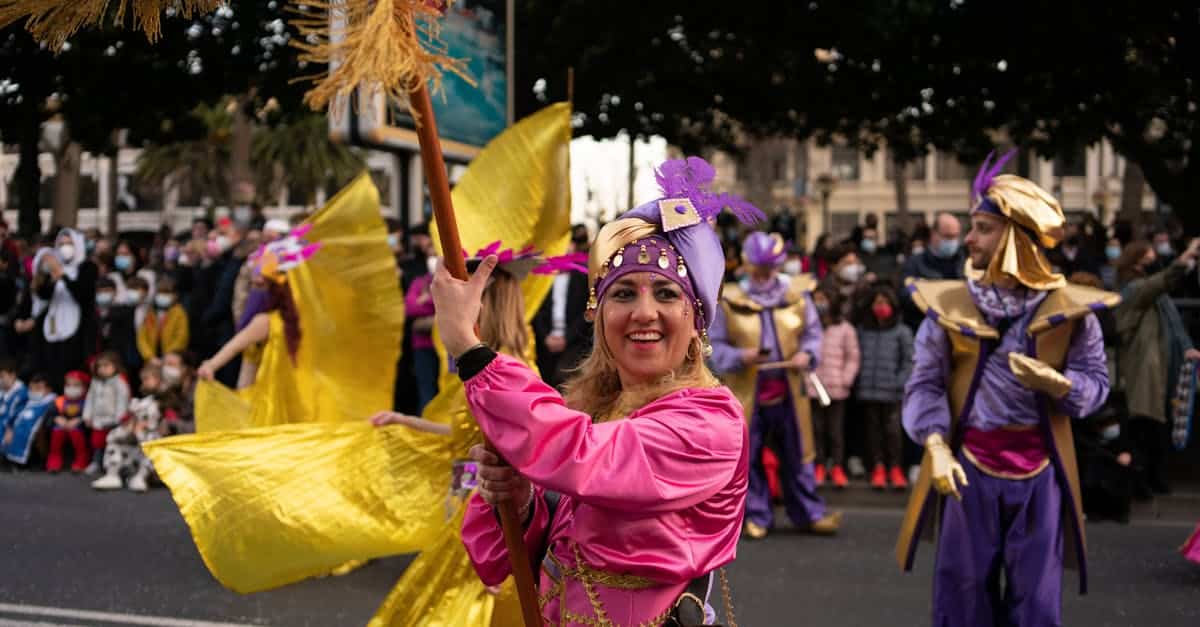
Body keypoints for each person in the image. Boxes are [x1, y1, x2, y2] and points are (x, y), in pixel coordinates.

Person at [455, 156, 752, 624]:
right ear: (599, 315)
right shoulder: (597, 409)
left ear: (697, 321)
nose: (644, 313)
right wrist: (521, 500)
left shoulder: (710, 424)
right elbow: (509, 561)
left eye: (666, 293)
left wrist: (472, 354)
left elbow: (585, 456)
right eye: (623, 293)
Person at [897, 152, 1114, 626]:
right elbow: (924, 385)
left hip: (1041, 471)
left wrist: (1059, 384)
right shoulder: (951, 305)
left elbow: (1097, 385)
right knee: (962, 596)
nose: (970, 239)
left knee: (1035, 600)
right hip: (966, 467)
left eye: (983, 228)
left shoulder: (1071, 313)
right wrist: (934, 443)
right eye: (972, 227)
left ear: (1015, 238)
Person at [710, 231, 841, 538]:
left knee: (799, 453)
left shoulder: (797, 296)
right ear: (747, 265)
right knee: (748, 457)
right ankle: (756, 515)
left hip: (789, 390)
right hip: (746, 392)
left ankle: (809, 513)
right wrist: (743, 356)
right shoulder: (729, 299)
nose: (765, 274)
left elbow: (813, 335)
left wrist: (807, 355)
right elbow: (714, 346)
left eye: (769, 268)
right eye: (759, 268)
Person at [1113, 238, 1200, 495]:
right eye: (1149, 256)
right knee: (1145, 426)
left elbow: (1173, 323)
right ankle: (1144, 481)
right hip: (1146, 368)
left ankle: (1151, 479)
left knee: (1154, 425)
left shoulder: (1154, 295)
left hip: (1160, 366)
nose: (1154, 260)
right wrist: (1184, 258)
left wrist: (1187, 349)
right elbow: (1159, 282)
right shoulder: (1134, 289)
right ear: (1137, 261)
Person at [855, 283, 913, 490]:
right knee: (873, 432)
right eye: (877, 302)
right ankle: (878, 467)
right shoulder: (863, 331)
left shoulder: (902, 332)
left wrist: (899, 382)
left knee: (893, 431)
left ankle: (896, 468)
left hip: (893, 391)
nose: (881, 306)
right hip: (869, 390)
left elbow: (909, 361)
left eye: (884, 302)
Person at [29, 229, 98, 389]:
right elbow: (44, 295)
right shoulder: (56, 268)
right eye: (61, 244)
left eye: (69, 244)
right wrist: (49, 278)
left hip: (77, 330)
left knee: (71, 369)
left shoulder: (87, 267)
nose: (65, 247)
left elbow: (82, 293)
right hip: (54, 324)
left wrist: (63, 276)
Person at [808, 287, 859, 488]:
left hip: (836, 387)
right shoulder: (808, 326)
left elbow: (852, 357)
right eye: (817, 299)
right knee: (816, 429)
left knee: (835, 431)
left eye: (824, 299)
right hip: (813, 387)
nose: (820, 303)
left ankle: (837, 466)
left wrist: (845, 379)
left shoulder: (845, 328)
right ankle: (819, 465)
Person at [532, 225, 593, 390]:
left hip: (573, 343)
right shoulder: (542, 279)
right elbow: (536, 310)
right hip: (545, 343)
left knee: (564, 377)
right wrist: (546, 337)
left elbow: (585, 313)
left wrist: (566, 338)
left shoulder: (582, 279)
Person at [900, 212, 965, 329]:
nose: (952, 241)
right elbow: (905, 295)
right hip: (925, 329)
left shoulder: (965, 263)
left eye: (955, 236)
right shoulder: (915, 263)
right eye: (947, 236)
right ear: (933, 234)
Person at [81, 351, 131, 475]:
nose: (103, 369)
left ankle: (114, 465)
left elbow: (122, 400)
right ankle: (96, 462)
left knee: (114, 443)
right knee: (97, 442)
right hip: (98, 420)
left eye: (106, 366)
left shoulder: (120, 382)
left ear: (115, 366)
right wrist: (87, 416)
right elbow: (90, 399)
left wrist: (119, 418)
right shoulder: (95, 382)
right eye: (100, 366)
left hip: (114, 420)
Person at [2, 373, 55, 467]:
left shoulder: (52, 403)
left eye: (38, 388)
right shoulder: (27, 402)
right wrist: (9, 428)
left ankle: (39, 460)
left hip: (42, 432)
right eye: (31, 388)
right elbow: (15, 415)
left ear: (49, 389)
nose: (34, 391)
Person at [46, 369, 90, 472]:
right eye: (68, 385)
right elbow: (49, 416)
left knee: (75, 432)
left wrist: (80, 420)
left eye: (76, 385)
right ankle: (54, 459)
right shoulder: (59, 401)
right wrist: (56, 418)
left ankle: (81, 460)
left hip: (79, 428)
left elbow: (91, 417)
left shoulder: (87, 401)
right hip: (61, 426)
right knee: (57, 431)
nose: (71, 388)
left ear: (84, 387)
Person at [137, 277, 189, 363]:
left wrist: (168, 356)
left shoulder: (179, 313)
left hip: (171, 359)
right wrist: (149, 356)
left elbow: (181, 338)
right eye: (160, 293)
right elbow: (142, 336)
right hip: (151, 359)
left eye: (167, 293)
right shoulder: (150, 312)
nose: (162, 296)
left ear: (175, 295)